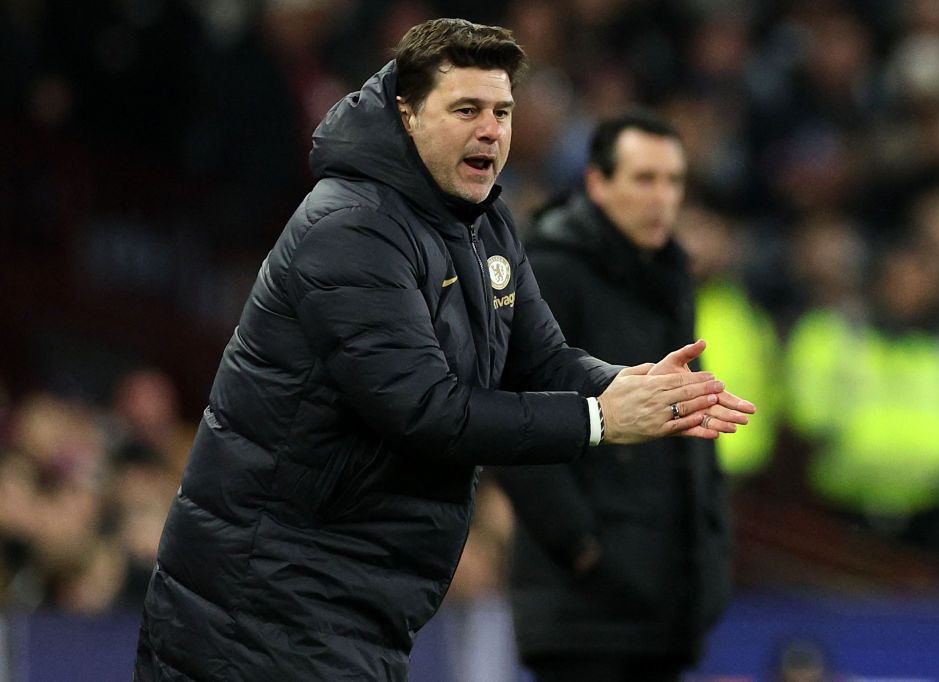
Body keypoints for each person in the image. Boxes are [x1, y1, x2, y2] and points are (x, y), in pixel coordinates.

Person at [133, 19, 755, 682]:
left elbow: (542, 362)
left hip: (346, 606)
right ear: (406, 114)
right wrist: (600, 421)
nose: (491, 130)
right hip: (257, 608)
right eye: (466, 110)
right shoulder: (350, 227)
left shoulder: (482, 222)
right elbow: (427, 411)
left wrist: (637, 386)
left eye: (502, 112)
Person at [497, 113, 737, 682]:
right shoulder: (552, 273)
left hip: (662, 608)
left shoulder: (669, 278)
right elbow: (516, 423)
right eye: (644, 179)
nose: (662, 198)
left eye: (674, 181)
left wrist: (708, 559)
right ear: (598, 184)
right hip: (584, 613)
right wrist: (585, 550)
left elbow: (682, 427)